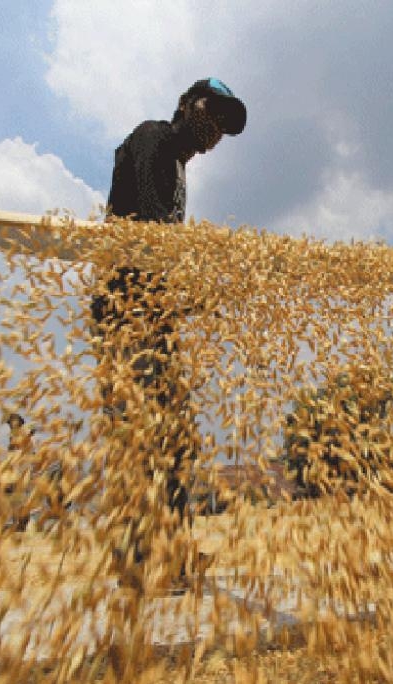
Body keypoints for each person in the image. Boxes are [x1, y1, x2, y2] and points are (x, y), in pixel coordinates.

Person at [92, 78, 246, 585]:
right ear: (186, 104)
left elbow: (165, 257)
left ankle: (176, 552)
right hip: (123, 312)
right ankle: (134, 564)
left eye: (224, 125)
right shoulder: (153, 137)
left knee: (176, 439)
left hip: (156, 317)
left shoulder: (180, 171)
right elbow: (150, 235)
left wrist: (196, 293)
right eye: (213, 113)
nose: (216, 128)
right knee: (136, 438)